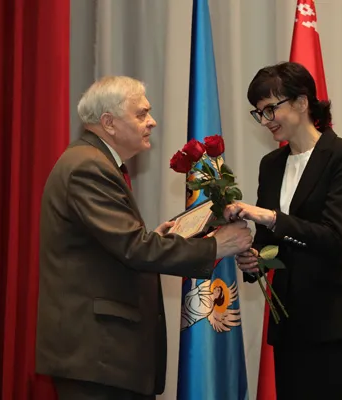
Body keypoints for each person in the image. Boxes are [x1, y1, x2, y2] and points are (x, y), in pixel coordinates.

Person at [35, 76, 252, 400]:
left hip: (102, 357)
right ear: (108, 122)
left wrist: (156, 238)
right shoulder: (88, 167)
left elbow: (118, 245)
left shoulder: (93, 161)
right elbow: (134, 249)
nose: (152, 122)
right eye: (141, 114)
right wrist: (215, 246)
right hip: (99, 356)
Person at [224, 62, 342, 400]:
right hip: (289, 319)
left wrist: (271, 217)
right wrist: (254, 260)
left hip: (335, 317)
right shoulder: (271, 165)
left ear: (302, 102)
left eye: (270, 108)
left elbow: (335, 238)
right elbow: (270, 243)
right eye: (259, 113)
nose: (265, 120)